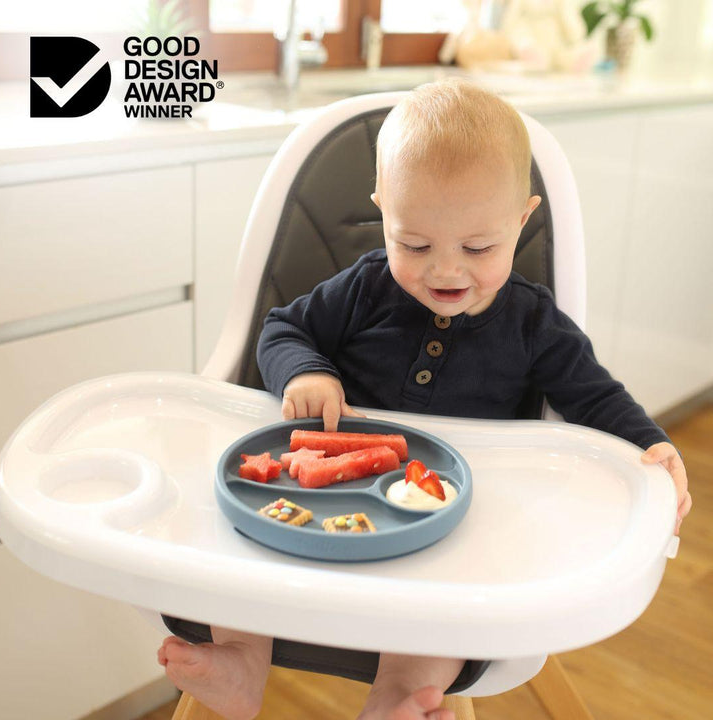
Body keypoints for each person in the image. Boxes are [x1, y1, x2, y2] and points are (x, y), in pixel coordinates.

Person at [157, 79, 692, 720]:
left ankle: (398, 700)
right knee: (246, 559)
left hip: (449, 533)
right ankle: (242, 664)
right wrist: (307, 375)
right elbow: (282, 329)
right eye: (414, 245)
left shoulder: (533, 324)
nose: (445, 271)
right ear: (384, 211)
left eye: (478, 248)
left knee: (438, 621)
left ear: (521, 220)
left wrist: (651, 444)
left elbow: (594, 395)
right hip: (324, 498)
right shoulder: (364, 287)